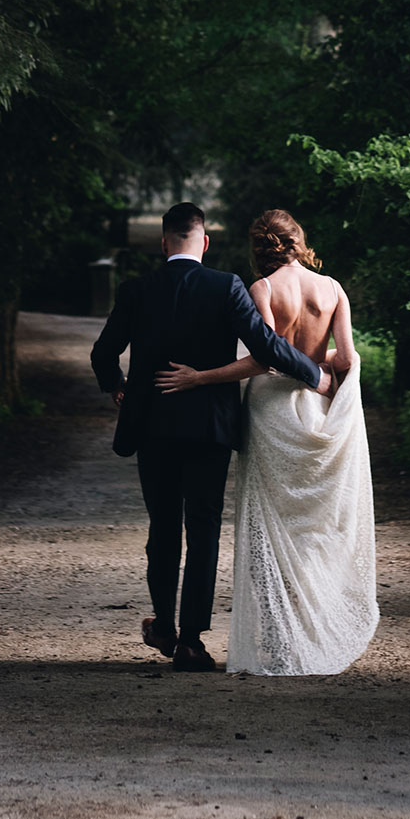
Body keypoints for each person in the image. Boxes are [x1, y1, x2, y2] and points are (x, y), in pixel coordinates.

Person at [90, 200, 331, 672]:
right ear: (205, 241)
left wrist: (117, 388)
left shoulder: (138, 289)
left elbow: (103, 353)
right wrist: (314, 377)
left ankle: (162, 623)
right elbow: (266, 345)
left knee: (162, 527)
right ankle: (191, 643)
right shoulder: (227, 286)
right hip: (209, 430)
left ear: (164, 243)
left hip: (153, 426)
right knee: (203, 532)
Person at [154, 208, 378, 676]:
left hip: (272, 411)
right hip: (316, 407)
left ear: (259, 248)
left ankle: (278, 635)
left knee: (267, 523)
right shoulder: (333, 288)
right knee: (311, 525)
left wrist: (201, 378)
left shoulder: (264, 289)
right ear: (299, 240)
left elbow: (263, 358)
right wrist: (320, 366)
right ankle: (310, 628)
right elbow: (348, 358)